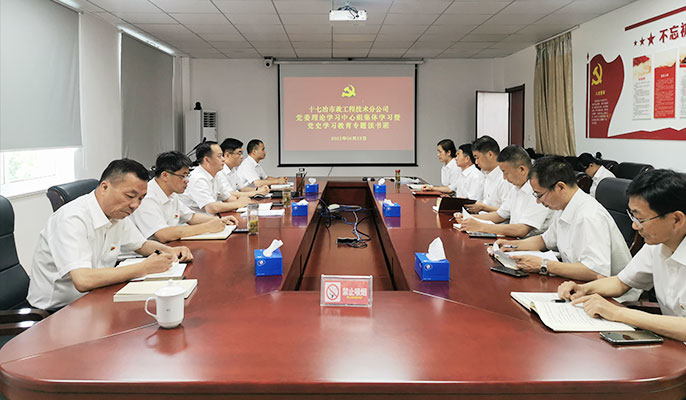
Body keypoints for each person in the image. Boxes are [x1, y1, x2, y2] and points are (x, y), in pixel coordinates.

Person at [27, 159, 193, 311]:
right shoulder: (71, 219)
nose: (135, 205)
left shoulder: (116, 214)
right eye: (130, 196)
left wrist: (170, 251)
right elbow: (83, 280)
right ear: (104, 187)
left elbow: (142, 245)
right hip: (58, 310)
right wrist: (144, 268)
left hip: (97, 296)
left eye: (141, 199)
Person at [557, 169, 686, 341]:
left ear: (676, 219)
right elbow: (620, 282)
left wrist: (618, 313)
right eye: (633, 216)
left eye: (641, 219)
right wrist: (583, 289)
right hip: (672, 344)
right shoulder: (658, 244)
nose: (634, 226)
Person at [495, 156, 632, 282]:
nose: (538, 201)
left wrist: (544, 265)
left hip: (610, 294)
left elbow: (595, 271)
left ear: (560, 187)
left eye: (539, 195)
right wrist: (511, 246)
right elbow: (544, 240)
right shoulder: (564, 207)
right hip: (577, 283)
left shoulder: (589, 216)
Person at [131, 151, 239, 243]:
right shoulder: (147, 196)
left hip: (168, 247)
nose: (186, 180)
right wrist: (207, 227)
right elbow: (162, 234)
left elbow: (191, 217)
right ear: (165, 175)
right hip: (144, 255)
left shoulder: (171, 194)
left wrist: (219, 220)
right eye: (182, 176)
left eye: (187, 175)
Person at [454, 145, 552, 238]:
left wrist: (481, 226)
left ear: (522, 169)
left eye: (506, 172)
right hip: (514, 240)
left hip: (529, 244)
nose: (504, 178)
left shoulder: (538, 190)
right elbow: (499, 215)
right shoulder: (516, 187)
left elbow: (522, 229)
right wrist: (469, 218)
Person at [180, 141, 251, 214]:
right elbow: (211, 208)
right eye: (219, 156)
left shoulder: (216, 175)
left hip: (210, 217)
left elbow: (227, 198)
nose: (223, 159)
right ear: (207, 159)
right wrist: (238, 204)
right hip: (196, 219)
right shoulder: (198, 178)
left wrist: (243, 201)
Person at [466, 135, 514, 213]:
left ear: (490, 154)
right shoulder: (487, 175)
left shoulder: (504, 178)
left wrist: (483, 207)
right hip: (484, 217)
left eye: (477, 157)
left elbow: (508, 212)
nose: (476, 162)